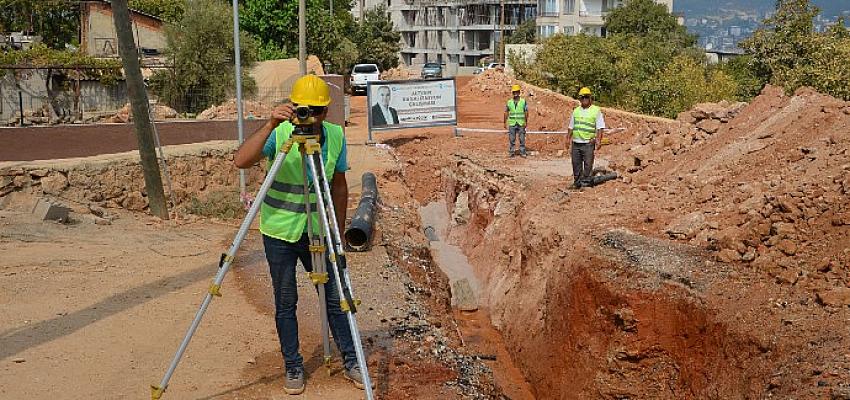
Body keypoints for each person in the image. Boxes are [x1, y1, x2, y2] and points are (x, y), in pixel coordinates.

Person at [233, 75, 368, 395]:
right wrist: (269, 125)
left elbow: (339, 185)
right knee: (285, 300)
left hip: (318, 231)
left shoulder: (335, 136)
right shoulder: (281, 133)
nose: (312, 117)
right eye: (305, 109)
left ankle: (351, 359)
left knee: (335, 298)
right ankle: (293, 366)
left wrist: (337, 231)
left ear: (326, 111)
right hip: (279, 231)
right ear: (294, 107)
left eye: (318, 111)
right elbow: (241, 161)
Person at [567, 87, 605, 188]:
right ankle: (577, 183)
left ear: (590, 98)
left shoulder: (596, 111)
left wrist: (598, 140)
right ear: (579, 99)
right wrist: (567, 138)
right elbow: (571, 126)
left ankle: (585, 183)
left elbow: (600, 127)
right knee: (576, 164)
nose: (584, 99)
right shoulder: (576, 111)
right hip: (576, 142)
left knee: (588, 164)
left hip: (588, 143)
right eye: (582, 97)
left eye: (586, 97)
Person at [504, 84, 529, 157]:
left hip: (521, 123)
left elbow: (526, 112)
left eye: (517, 92)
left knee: (522, 138)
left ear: (519, 92)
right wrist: (504, 122)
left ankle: (522, 152)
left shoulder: (523, 101)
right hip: (512, 123)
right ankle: (511, 152)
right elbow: (506, 112)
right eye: (514, 92)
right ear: (512, 93)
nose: (515, 93)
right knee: (512, 139)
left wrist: (525, 121)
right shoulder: (509, 102)